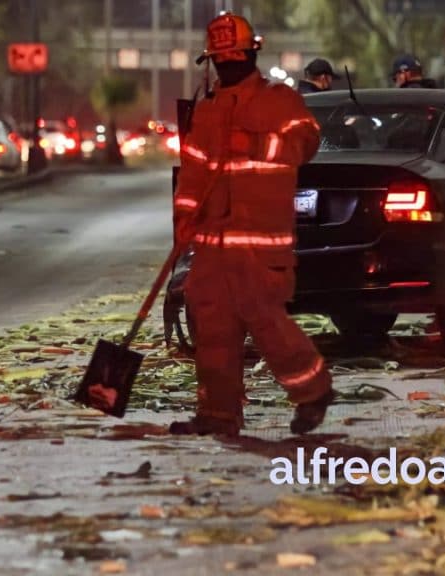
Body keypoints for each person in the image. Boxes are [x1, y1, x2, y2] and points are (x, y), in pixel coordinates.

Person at [170, 12, 335, 437]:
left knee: (266, 322)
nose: (227, 66)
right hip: (212, 246)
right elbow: (193, 172)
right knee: (212, 329)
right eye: (220, 59)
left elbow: (306, 144)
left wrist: (256, 143)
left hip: (260, 244)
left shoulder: (278, 102)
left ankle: (313, 389)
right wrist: (184, 218)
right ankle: (219, 414)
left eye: (233, 57)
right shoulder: (206, 114)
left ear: (250, 55)